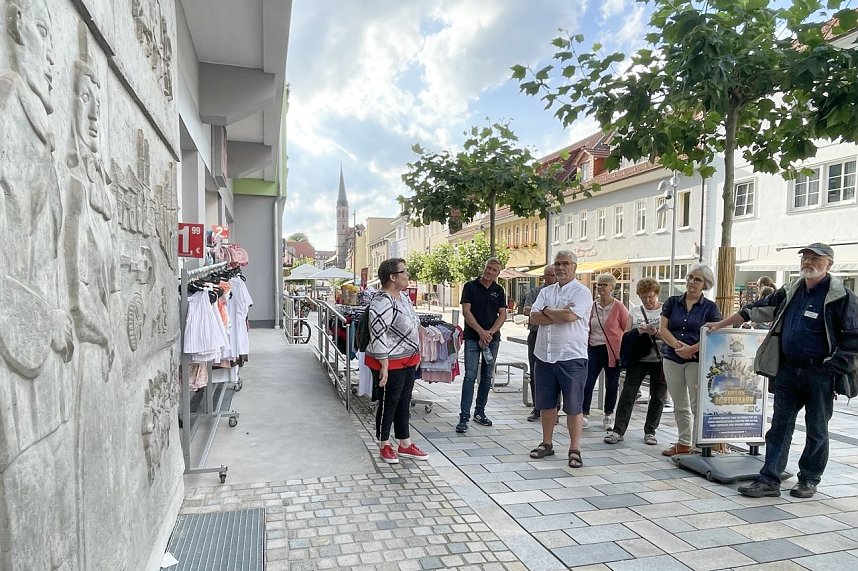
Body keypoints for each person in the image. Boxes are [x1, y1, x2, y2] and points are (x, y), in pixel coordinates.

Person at [706, 243, 858, 498]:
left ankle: (808, 479)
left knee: (817, 430)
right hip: (787, 371)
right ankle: (769, 480)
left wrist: (833, 368)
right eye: (805, 257)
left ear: (829, 264)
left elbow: (854, 338)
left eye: (815, 258)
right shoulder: (791, 291)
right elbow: (754, 310)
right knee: (779, 427)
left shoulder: (842, 296)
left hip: (819, 374)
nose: (808, 262)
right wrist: (721, 324)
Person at [527, 250, 592, 468]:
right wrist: (552, 312)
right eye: (557, 264)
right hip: (544, 355)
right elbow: (533, 317)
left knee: (574, 406)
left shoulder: (582, 292)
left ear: (574, 266)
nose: (561, 268)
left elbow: (570, 316)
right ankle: (547, 443)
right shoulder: (546, 292)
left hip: (571, 357)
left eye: (565, 263)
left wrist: (548, 313)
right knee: (546, 404)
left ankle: (575, 449)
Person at [364, 258, 428, 464]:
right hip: (390, 361)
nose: (408, 275)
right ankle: (384, 444)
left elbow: (414, 322)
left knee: (403, 402)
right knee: (388, 403)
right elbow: (378, 332)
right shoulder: (382, 300)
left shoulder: (403, 298)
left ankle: (405, 443)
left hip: (407, 359)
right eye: (404, 272)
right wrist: (383, 363)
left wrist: (418, 351)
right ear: (393, 277)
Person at [659, 263, 722, 457]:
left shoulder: (710, 308)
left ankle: (698, 445)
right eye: (690, 277)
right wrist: (680, 348)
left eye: (697, 279)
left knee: (697, 403)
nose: (692, 282)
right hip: (672, 358)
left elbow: (714, 335)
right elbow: (663, 329)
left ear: (705, 284)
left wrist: (692, 349)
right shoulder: (672, 302)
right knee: (679, 403)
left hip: (697, 360)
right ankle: (683, 442)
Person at [605, 278, 667, 445]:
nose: (648, 301)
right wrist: (638, 332)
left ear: (657, 295)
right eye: (644, 297)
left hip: (660, 358)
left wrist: (656, 333)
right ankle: (618, 430)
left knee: (658, 396)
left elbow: (670, 335)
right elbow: (626, 334)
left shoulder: (665, 310)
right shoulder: (635, 311)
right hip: (639, 358)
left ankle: (650, 431)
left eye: (651, 297)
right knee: (628, 393)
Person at [457, 258, 506, 433]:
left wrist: (490, 333)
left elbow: (502, 314)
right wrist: (480, 332)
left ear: (498, 273)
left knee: (486, 377)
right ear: (484, 268)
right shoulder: (470, 286)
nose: (490, 272)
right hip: (472, 337)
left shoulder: (499, 290)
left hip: (492, 339)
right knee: (470, 376)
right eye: (488, 268)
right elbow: (466, 311)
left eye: (494, 270)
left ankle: (480, 412)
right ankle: (464, 417)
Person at [582, 273, 629, 431]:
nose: (601, 287)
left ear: (612, 287)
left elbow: (626, 328)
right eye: (599, 284)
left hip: (612, 350)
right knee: (588, 382)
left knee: (612, 383)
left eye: (605, 284)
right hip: (594, 348)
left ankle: (608, 414)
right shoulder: (592, 305)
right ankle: (584, 414)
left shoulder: (619, 307)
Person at [522, 264, 557, 421]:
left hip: (556, 337)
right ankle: (537, 407)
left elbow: (566, 313)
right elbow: (527, 310)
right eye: (551, 275)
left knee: (556, 373)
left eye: (555, 275)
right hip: (536, 335)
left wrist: (540, 312)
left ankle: (554, 409)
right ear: (545, 276)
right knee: (536, 371)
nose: (554, 278)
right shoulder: (536, 292)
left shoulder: (561, 292)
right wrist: (550, 313)